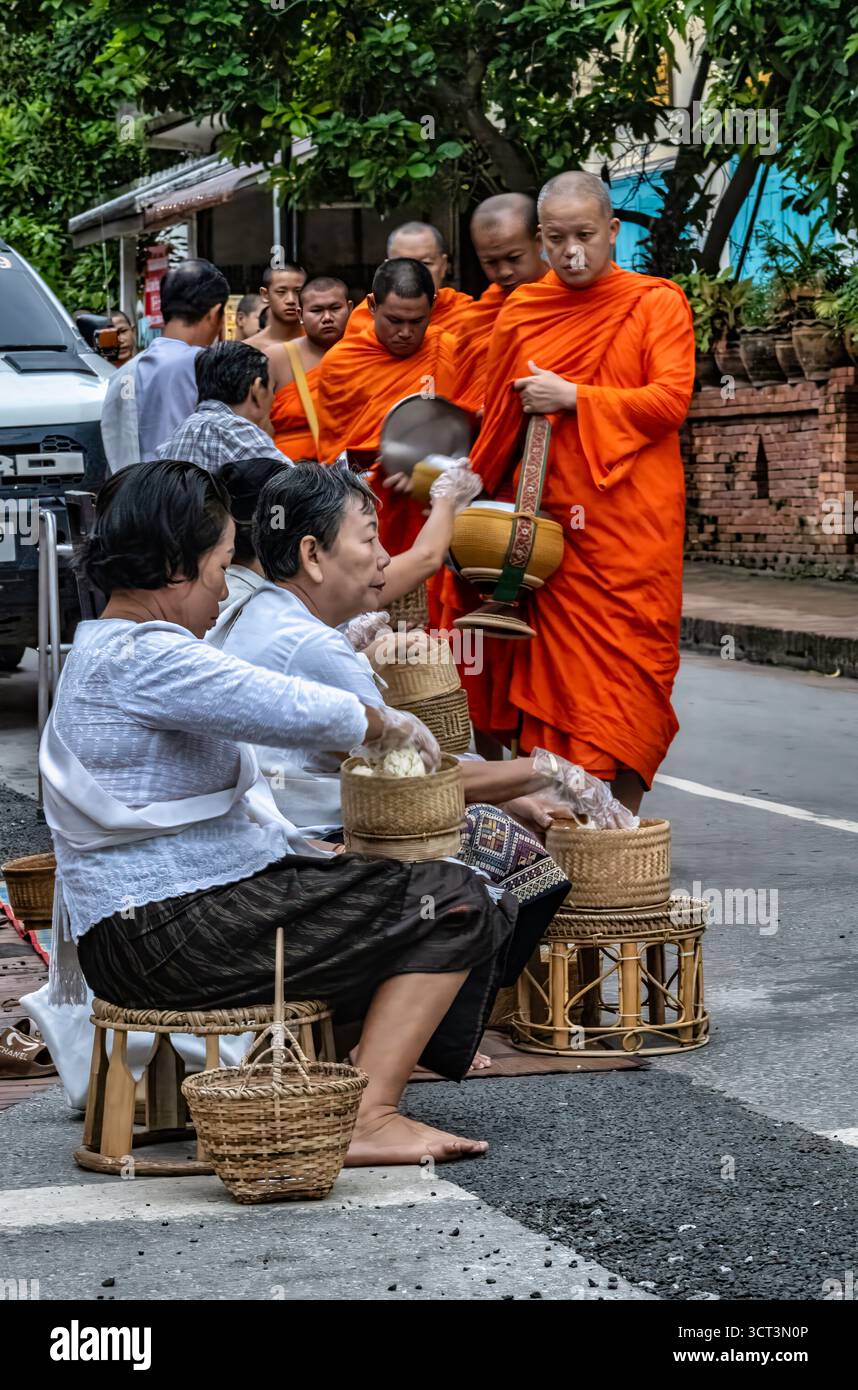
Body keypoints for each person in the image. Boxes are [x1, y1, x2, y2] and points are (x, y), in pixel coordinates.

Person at [40, 459, 521, 1165]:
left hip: (155, 924)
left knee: (391, 881)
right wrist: (384, 724)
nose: (225, 586)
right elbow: (281, 705)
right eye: (221, 563)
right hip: (166, 934)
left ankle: (336, 1085)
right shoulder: (142, 655)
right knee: (453, 898)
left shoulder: (120, 648)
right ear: (180, 565)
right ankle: (369, 1113)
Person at [213, 463, 573, 1066]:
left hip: (271, 827)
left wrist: (503, 787)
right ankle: (408, 1039)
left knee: (493, 824)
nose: (384, 557)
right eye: (369, 538)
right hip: (305, 844)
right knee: (509, 858)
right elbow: (415, 779)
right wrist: (550, 772)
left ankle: (414, 1030)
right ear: (312, 554)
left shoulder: (264, 613)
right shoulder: (312, 642)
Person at [444, 170, 696, 813]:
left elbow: (669, 402)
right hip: (555, 539)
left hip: (633, 532)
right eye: (557, 239)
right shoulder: (526, 310)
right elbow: (498, 422)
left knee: (635, 673)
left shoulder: (656, 302)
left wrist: (574, 397)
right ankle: (567, 824)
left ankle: (622, 822)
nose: (573, 252)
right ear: (541, 240)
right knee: (560, 680)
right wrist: (460, 490)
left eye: (586, 235)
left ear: (612, 232)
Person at [315, 258, 464, 565]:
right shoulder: (342, 362)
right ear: (371, 306)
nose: (406, 333)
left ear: (433, 307)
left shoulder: (450, 349)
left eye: (418, 321)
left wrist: (429, 475)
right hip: (368, 508)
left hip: (438, 507)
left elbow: (470, 431)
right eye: (395, 321)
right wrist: (384, 471)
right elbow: (334, 454)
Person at [100, 258, 229, 472]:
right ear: (215, 313)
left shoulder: (122, 374)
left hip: (131, 495)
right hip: (193, 496)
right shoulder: (208, 366)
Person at [455, 193, 546, 412]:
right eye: (490, 262)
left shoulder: (563, 299)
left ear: (540, 241)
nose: (504, 272)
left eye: (514, 258)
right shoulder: (480, 317)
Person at [262, 276, 353, 460]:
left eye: (335, 308)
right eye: (317, 310)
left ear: (350, 308)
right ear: (300, 314)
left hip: (354, 474)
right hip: (290, 474)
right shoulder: (277, 358)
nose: (327, 318)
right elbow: (258, 422)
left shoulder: (366, 353)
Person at [155, 341, 283, 470]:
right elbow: (292, 486)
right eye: (273, 389)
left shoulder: (175, 437)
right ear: (257, 388)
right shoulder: (237, 433)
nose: (273, 397)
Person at [345, 222, 473, 338]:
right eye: (404, 263)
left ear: (444, 265)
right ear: (387, 268)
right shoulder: (364, 318)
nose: (415, 273)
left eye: (425, 263)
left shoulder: (465, 316)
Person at [246, 262, 307, 351]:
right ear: (265, 295)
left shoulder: (320, 344)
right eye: (281, 292)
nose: (291, 300)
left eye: (298, 291)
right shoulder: (249, 349)